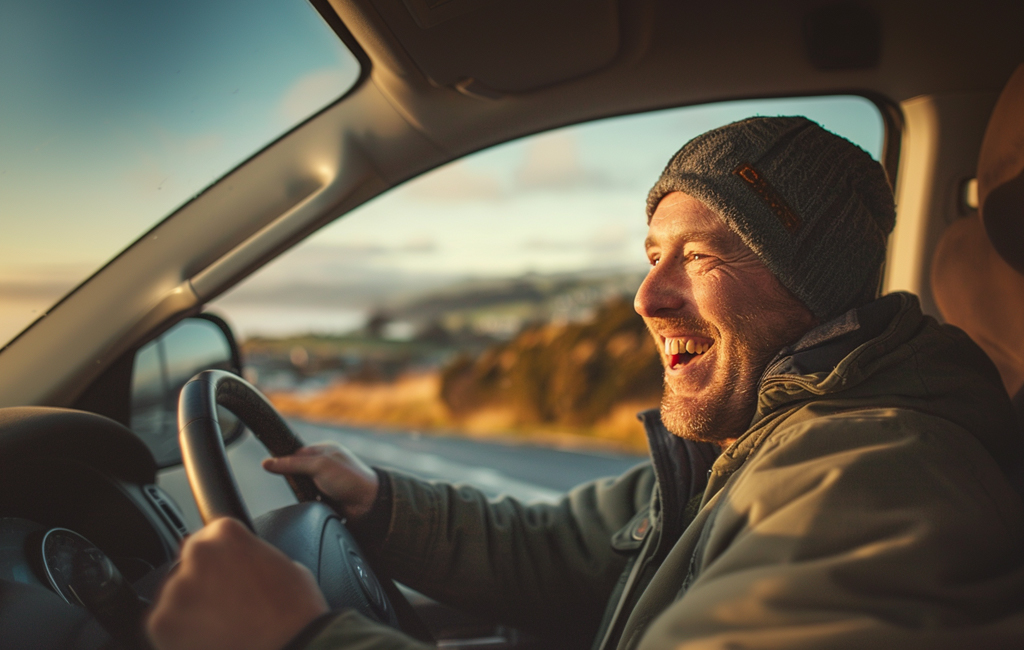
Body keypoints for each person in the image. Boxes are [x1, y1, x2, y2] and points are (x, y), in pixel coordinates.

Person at [146, 117, 1024, 650]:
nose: (647, 295)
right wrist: (379, 503)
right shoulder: (753, 444)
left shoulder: (874, 474)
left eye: (703, 255)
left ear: (817, 284)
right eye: (652, 256)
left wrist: (300, 639)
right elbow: (557, 548)